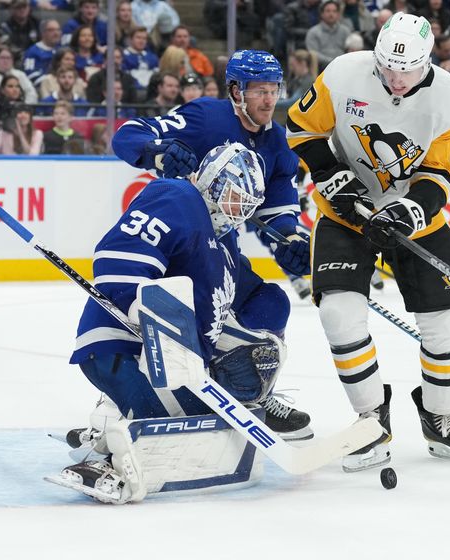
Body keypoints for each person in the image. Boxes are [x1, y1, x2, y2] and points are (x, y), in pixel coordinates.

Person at [286, 12, 450, 471]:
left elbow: (439, 176)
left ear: (427, 62)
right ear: (377, 58)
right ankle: (369, 421)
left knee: (446, 323)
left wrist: (406, 211)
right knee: (339, 315)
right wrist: (330, 173)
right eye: (389, 70)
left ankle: (439, 417)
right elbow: (301, 128)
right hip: (345, 214)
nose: (397, 81)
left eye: (409, 71)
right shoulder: (343, 73)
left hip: (414, 219)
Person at [48, 143, 294, 504]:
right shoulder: (177, 196)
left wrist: (288, 277)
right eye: (233, 197)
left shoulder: (224, 243)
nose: (237, 210)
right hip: (121, 346)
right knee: (158, 427)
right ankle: (108, 451)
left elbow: (254, 294)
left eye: (246, 204)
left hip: (178, 366)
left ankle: (110, 421)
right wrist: (141, 308)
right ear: (212, 181)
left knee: (205, 414)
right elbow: (116, 255)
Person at [111, 50, 313, 440]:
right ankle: (145, 396)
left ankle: (250, 389)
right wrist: (156, 151)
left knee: (271, 303)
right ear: (236, 91)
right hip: (178, 247)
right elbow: (127, 134)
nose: (269, 100)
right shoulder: (206, 117)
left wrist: (291, 239)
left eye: (274, 90)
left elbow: (279, 212)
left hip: (222, 252)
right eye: (259, 91)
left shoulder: (277, 143)